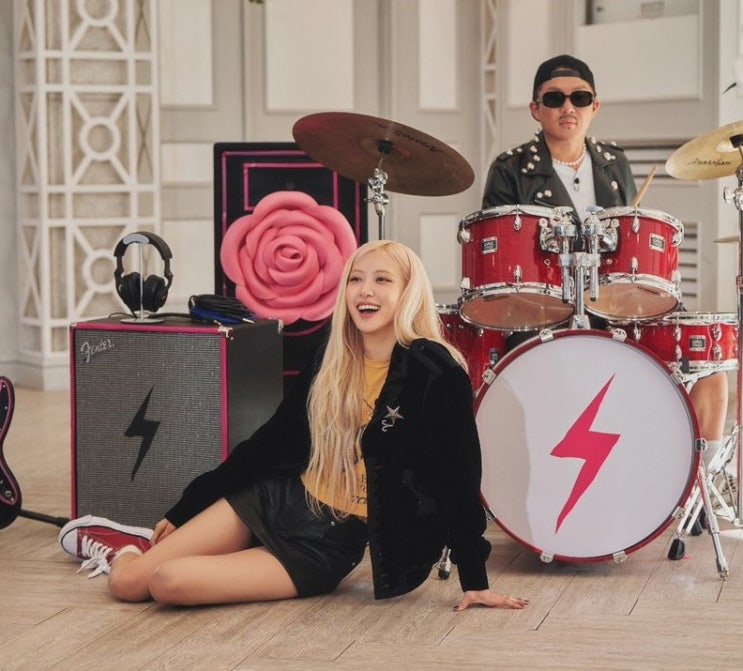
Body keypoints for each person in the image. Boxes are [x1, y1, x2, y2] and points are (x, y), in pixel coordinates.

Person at [58, 240, 529, 612]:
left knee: (167, 583)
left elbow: (457, 476)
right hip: (277, 498)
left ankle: (158, 550)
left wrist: (475, 579)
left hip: (324, 545)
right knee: (127, 584)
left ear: (408, 292)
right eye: (356, 279)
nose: (365, 291)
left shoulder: (435, 371)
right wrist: (189, 506)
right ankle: (125, 545)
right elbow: (271, 441)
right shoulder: (333, 355)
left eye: (382, 280)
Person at [481, 53, 729, 471]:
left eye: (579, 97)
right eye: (555, 98)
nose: (568, 107)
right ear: (535, 109)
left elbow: (628, 242)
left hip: (614, 300)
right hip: (543, 306)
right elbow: (502, 261)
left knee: (707, 361)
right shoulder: (510, 169)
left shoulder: (614, 163)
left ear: (594, 106)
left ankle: (690, 482)